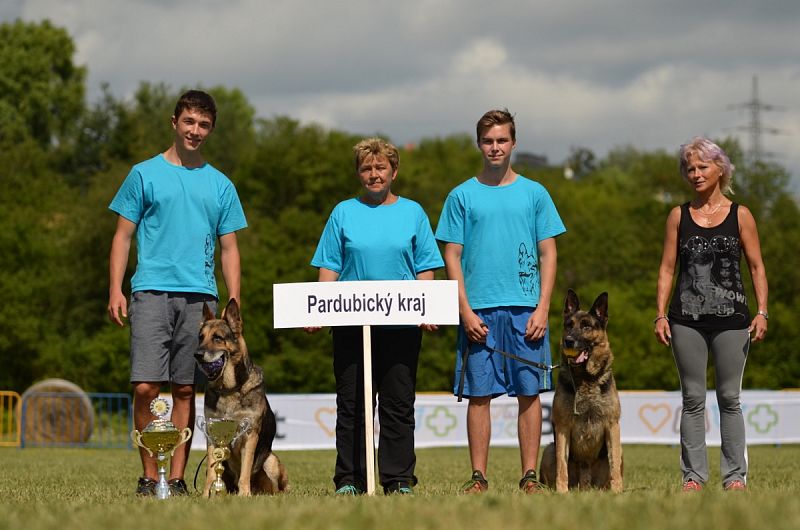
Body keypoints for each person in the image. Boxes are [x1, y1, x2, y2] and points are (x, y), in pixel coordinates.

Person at [107, 90, 247, 497]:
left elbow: (230, 247)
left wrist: (232, 306)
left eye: (203, 125)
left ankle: (179, 479)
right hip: (150, 291)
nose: (195, 131)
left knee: (185, 388)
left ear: (211, 129)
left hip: (200, 299)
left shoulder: (220, 184)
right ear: (174, 122)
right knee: (147, 387)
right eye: (189, 122)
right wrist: (115, 288)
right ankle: (151, 477)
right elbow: (122, 236)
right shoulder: (143, 174)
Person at [435, 109, 566, 493]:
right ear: (479, 144)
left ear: (513, 143)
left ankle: (528, 475)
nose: (495, 147)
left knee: (529, 395)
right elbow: (451, 256)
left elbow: (549, 254)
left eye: (502, 140)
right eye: (488, 141)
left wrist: (543, 307)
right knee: (479, 396)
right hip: (479, 311)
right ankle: (479, 477)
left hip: (527, 310)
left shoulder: (535, 193)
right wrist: (464, 311)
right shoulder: (461, 195)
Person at [308, 138, 443, 495]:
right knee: (352, 404)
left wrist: (427, 307)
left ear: (393, 172)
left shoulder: (413, 212)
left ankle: (398, 479)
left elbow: (426, 267)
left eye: (380, 168)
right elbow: (329, 266)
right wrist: (317, 309)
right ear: (358, 174)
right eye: (367, 168)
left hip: (401, 325)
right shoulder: (342, 212)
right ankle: (349, 478)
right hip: (351, 323)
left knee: (398, 403)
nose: (374, 174)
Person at [655, 137, 768, 492]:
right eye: (690, 168)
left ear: (721, 168)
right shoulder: (678, 216)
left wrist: (762, 311)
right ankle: (693, 478)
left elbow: (756, 266)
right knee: (692, 399)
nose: (695, 173)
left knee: (729, 399)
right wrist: (660, 315)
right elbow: (667, 269)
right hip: (685, 320)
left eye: (702, 166)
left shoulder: (741, 215)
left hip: (733, 320)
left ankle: (735, 477)